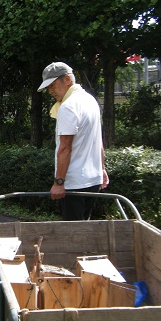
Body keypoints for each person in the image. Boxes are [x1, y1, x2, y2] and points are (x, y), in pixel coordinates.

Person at [37, 62, 109, 220]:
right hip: (93, 179)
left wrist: (59, 182)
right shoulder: (90, 100)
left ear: (67, 79)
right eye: (48, 87)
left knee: (73, 235)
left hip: (74, 183)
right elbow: (98, 140)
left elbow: (65, 148)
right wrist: (101, 169)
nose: (50, 91)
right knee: (84, 229)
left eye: (53, 85)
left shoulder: (68, 106)